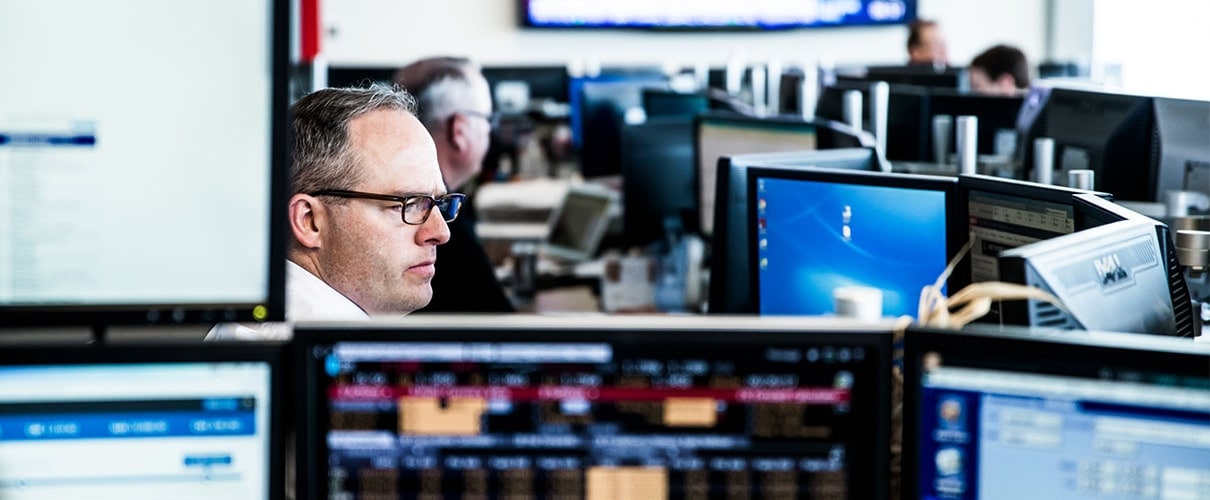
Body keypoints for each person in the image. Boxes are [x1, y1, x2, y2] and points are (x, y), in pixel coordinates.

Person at [206, 86, 459, 340]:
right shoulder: (322, 353)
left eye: (439, 202)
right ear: (309, 221)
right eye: (407, 203)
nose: (440, 232)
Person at [394, 57, 516, 313]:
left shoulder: (394, 210)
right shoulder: (443, 227)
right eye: (487, 119)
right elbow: (502, 328)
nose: (489, 132)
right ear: (459, 130)